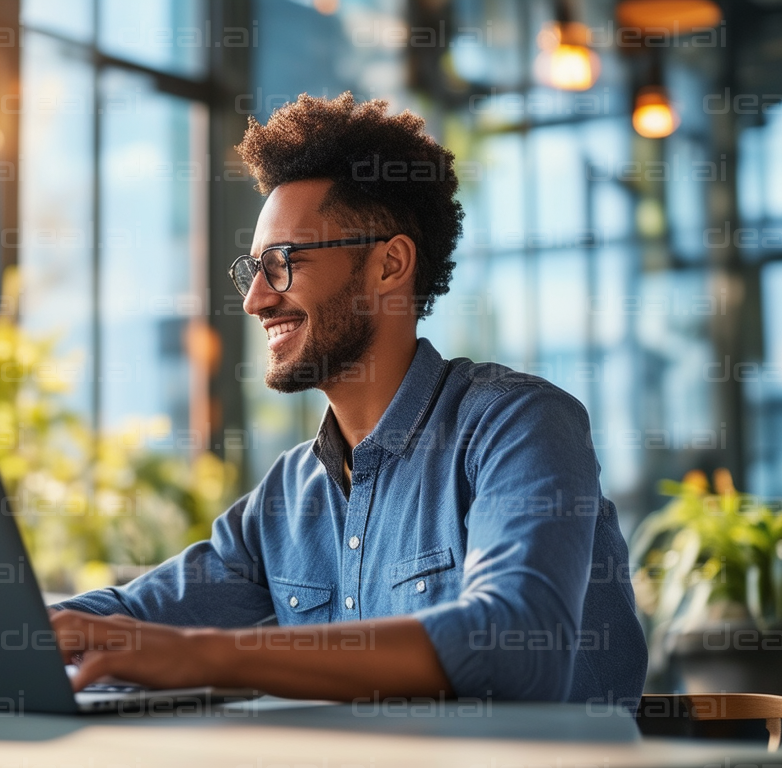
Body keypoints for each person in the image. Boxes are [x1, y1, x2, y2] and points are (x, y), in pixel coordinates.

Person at [50, 92, 647, 705]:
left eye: (282, 263)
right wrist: (25, 632)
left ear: (389, 264)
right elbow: (132, 616)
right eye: (251, 269)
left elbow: (513, 646)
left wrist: (205, 656)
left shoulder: (519, 425)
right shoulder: (288, 497)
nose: (255, 299)